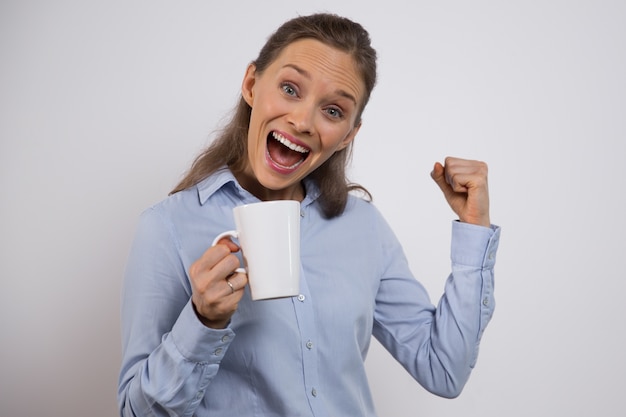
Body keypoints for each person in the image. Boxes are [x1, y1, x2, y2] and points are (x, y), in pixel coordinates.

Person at [118, 13, 500, 417]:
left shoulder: (363, 227)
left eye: (333, 111)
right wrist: (202, 322)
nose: (302, 121)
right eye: (289, 88)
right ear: (251, 84)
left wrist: (474, 228)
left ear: (349, 135)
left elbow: (444, 368)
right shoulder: (168, 227)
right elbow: (137, 411)